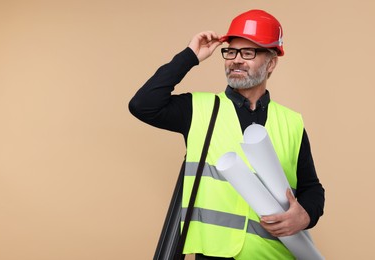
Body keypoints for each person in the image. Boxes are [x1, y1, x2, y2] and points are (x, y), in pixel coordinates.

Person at [129, 9, 325, 260]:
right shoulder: (199, 109)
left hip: (275, 255)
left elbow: (312, 188)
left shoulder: (292, 122)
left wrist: (305, 215)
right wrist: (190, 56)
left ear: (271, 62)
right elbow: (142, 104)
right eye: (231, 51)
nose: (236, 60)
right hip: (215, 256)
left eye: (248, 52)